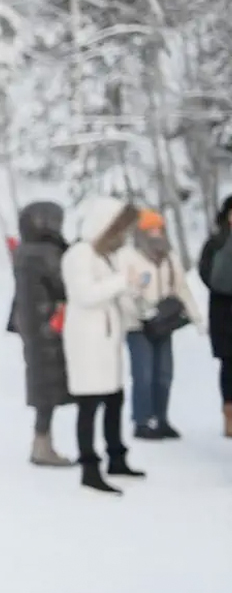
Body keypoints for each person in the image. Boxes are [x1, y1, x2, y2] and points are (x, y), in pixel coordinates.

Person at [60, 196, 144, 495]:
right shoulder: (79, 254)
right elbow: (85, 294)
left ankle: (116, 457)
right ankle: (89, 467)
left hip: (107, 343)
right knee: (89, 405)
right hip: (88, 344)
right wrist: (122, 281)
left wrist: (133, 289)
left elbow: (113, 292)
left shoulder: (104, 255)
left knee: (113, 400)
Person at [115, 209, 206, 440]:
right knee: (143, 373)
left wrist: (196, 317)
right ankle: (142, 421)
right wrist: (139, 313)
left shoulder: (169, 256)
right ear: (140, 232)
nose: (156, 234)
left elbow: (181, 288)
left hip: (163, 322)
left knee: (164, 373)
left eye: (159, 229)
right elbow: (122, 290)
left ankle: (161, 418)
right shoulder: (127, 256)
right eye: (150, 229)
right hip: (137, 324)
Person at [11, 202, 73, 466]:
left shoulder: (25, 251)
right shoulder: (45, 253)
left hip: (33, 326)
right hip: (48, 326)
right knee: (49, 387)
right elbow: (63, 284)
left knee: (42, 384)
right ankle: (42, 445)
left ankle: (42, 442)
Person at [198, 195, 232, 437]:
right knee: (229, 366)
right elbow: (207, 274)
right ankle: (229, 415)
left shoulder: (214, 242)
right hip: (224, 314)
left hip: (221, 311)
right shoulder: (217, 242)